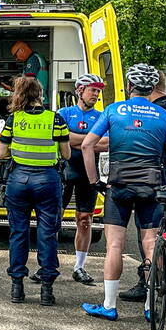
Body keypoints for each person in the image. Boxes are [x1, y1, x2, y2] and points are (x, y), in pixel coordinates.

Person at [80, 64, 166, 321]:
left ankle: (109, 305)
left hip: (119, 185)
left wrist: (95, 182)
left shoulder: (114, 110)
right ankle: (150, 308)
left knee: (114, 244)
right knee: (150, 245)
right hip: (152, 186)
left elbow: (86, 145)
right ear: (152, 88)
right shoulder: (163, 115)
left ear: (129, 86)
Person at [0, 76, 71, 306]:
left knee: (18, 232)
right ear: (40, 94)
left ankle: (17, 287)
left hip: (19, 180)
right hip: (47, 182)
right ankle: (46, 290)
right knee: (47, 233)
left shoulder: (13, 120)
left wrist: (19, 153)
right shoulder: (54, 119)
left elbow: (0, 153)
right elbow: (66, 154)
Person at [119, 72, 166, 302]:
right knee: (163, 232)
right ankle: (163, 281)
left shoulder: (160, 110)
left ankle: (148, 283)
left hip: (155, 174)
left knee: (148, 234)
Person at [56, 73, 108, 285]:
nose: (96, 94)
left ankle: (79, 267)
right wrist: (89, 142)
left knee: (85, 220)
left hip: (88, 173)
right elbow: (61, 137)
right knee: (53, 219)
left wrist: (75, 140)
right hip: (64, 171)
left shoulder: (102, 116)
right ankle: (48, 265)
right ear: (80, 91)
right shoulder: (64, 113)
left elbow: (106, 143)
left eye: (98, 91)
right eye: (92, 90)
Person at [11, 41, 49, 105]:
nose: (16, 59)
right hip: (39, 100)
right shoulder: (37, 57)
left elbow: (28, 82)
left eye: (15, 55)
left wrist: (15, 89)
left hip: (36, 102)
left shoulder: (32, 60)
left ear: (21, 50)